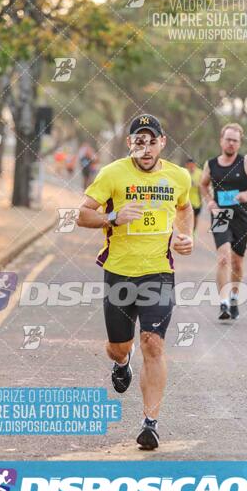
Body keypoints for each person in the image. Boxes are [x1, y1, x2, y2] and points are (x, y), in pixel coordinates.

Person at [78, 114, 193, 449]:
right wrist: (112, 216)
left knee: (153, 343)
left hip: (158, 273)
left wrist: (184, 236)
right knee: (119, 347)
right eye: (139, 141)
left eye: (151, 140)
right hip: (118, 272)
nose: (145, 147)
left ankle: (150, 423)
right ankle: (123, 362)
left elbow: (184, 208)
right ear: (130, 143)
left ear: (162, 142)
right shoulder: (112, 174)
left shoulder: (178, 176)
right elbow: (82, 213)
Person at [201, 123, 247, 320]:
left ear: (239, 143)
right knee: (224, 257)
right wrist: (210, 201)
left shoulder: (245, 162)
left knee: (237, 262)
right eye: (228, 139)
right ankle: (224, 303)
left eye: (235, 140)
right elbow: (203, 184)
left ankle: (234, 296)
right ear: (221, 140)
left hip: (241, 217)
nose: (231, 143)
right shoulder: (211, 164)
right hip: (220, 215)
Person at [185, 158, 203, 235]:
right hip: (185, 200)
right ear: (187, 165)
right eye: (189, 165)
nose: (191, 167)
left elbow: (203, 185)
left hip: (196, 200)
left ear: (195, 165)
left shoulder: (200, 173)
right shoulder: (184, 172)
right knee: (186, 218)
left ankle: (193, 232)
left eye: (192, 165)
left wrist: (196, 185)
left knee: (195, 218)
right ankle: (187, 232)